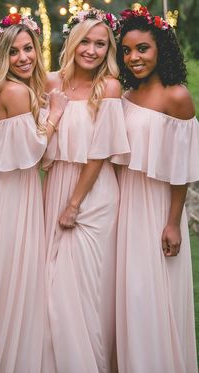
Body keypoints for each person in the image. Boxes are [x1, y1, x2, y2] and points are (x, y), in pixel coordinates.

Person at [0, 13, 68, 373]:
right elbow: (35, 151)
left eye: (29, 49)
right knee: (9, 281)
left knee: (3, 281)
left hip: (8, 193)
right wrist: (55, 112)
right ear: (3, 56)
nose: (24, 57)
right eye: (15, 52)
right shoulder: (16, 91)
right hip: (10, 199)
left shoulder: (19, 89)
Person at [41, 8, 130, 373]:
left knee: (80, 286)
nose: (92, 50)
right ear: (73, 42)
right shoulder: (50, 83)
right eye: (86, 42)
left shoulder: (108, 86)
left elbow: (100, 151)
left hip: (92, 194)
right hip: (57, 184)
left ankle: (89, 363)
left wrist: (74, 204)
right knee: (49, 281)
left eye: (101, 44)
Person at [112, 4, 199, 372]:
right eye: (127, 50)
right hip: (122, 203)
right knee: (124, 294)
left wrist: (173, 222)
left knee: (148, 293)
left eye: (142, 49)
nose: (134, 57)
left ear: (161, 47)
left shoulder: (176, 97)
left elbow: (181, 169)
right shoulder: (125, 96)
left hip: (156, 207)